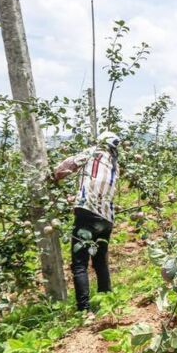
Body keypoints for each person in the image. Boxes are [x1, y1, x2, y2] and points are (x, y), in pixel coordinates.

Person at [53, 131, 122, 320]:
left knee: (79, 263)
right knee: (100, 260)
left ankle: (84, 310)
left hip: (88, 213)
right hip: (106, 219)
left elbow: (64, 168)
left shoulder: (92, 153)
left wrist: (51, 177)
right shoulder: (115, 164)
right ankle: (107, 302)